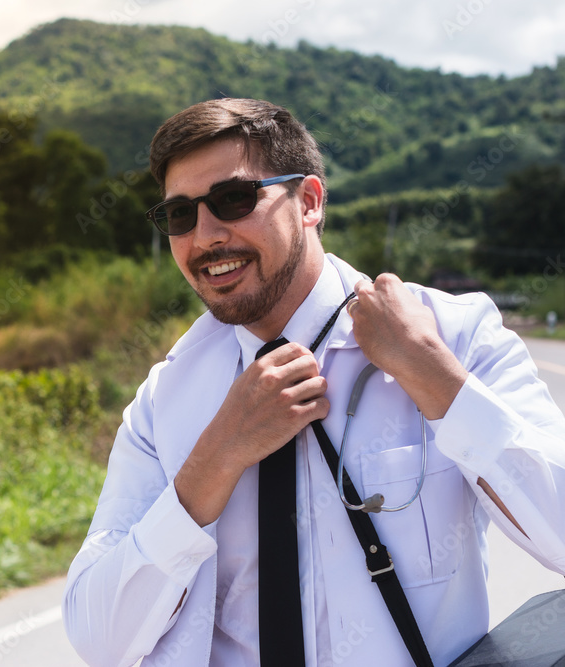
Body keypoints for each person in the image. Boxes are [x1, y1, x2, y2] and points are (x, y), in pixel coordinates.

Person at [61, 97, 565, 666]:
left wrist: (432, 375)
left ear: (308, 201)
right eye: (180, 214)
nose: (204, 237)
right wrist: (216, 458)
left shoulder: (455, 336)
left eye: (232, 199)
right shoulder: (166, 399)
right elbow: (99, 639)